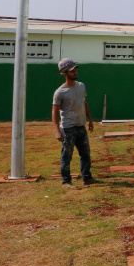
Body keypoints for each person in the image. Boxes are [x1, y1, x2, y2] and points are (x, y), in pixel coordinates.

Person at [52, 58, 95, 187]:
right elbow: (54, 112)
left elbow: (84, 103)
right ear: (65, 73)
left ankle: (86, 177)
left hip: (81, 126)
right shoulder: (60, 92)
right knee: (67, 156)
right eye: (71, 71)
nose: (75, 72)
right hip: (68, 128)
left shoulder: (81, 86)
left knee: (85, 154)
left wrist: (90, 120)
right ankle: (66, 181)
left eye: (75, 69)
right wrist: (57, 131)